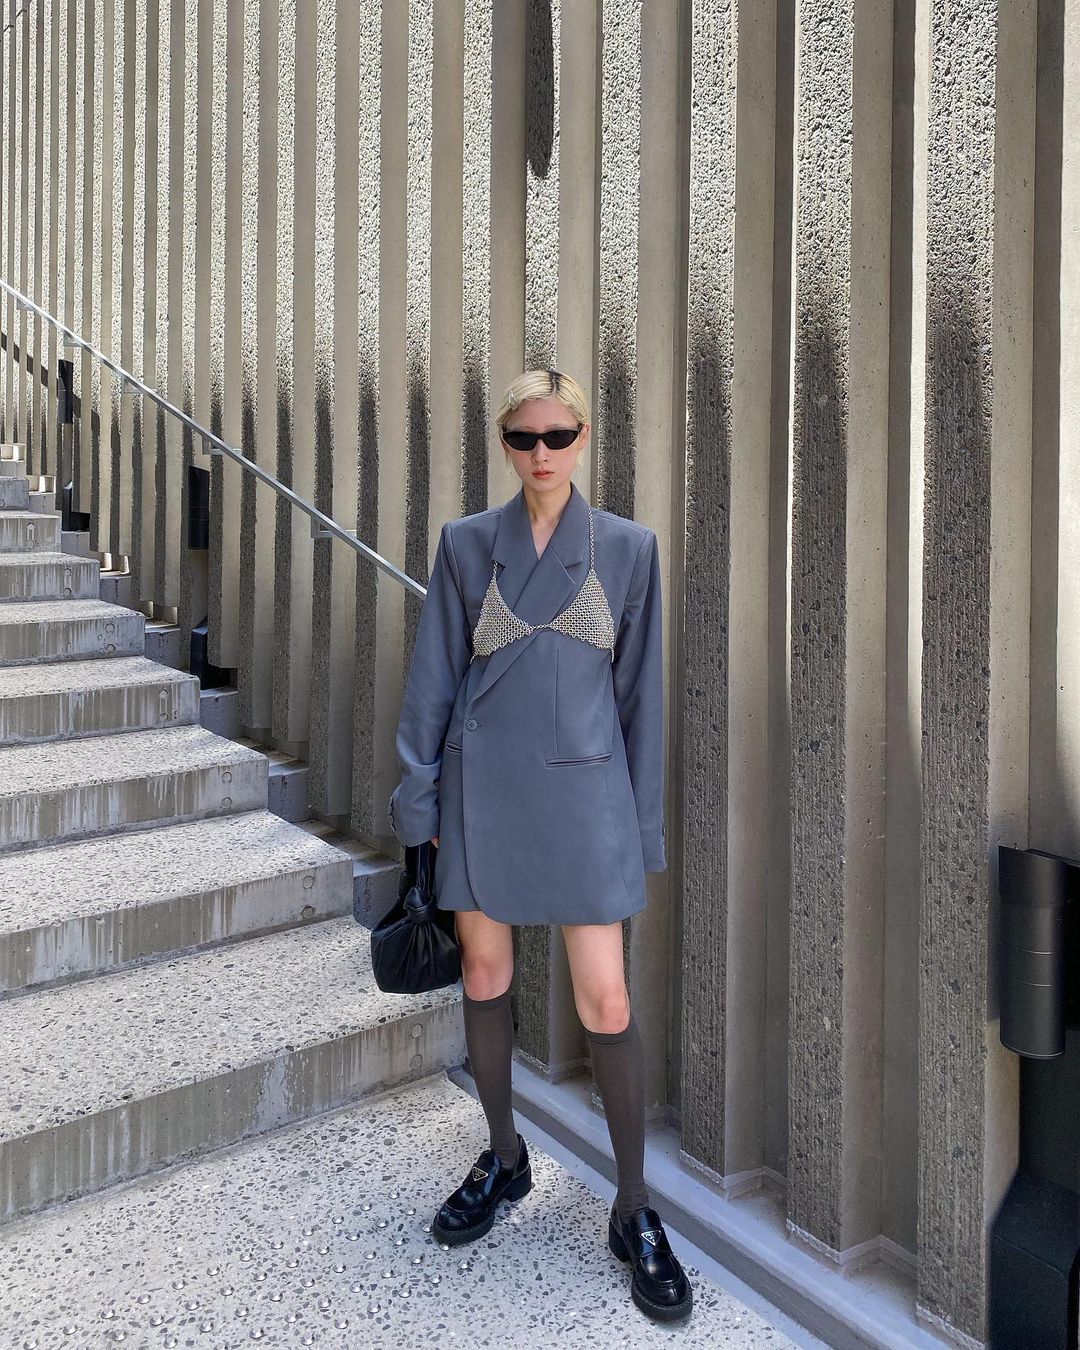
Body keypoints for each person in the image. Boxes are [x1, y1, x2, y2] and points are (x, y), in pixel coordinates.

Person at [388, 368, 692, 1323]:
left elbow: (641, 700)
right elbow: (434, 678)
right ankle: (504, 1156)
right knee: (486, 975)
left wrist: (640, 828)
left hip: (588, 801)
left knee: (607, 996)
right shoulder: (467, 543)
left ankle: (633, 1207)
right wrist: (418, 803)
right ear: (506, 444)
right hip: (483, 791)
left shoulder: (629, 549)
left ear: (583, 438)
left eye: (559, 436)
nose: (543, 453)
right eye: (525, 437)